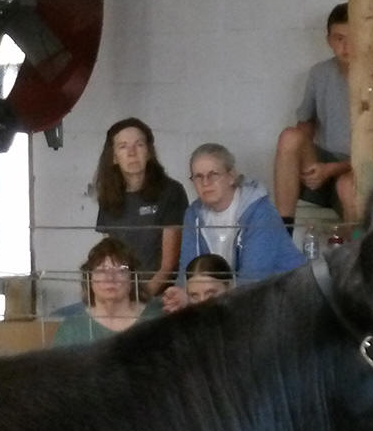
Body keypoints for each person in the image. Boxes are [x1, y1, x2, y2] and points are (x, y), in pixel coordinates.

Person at [161, 143, 303, 311]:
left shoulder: (261, 212)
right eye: (198, 177)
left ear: (231, 176)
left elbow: (254, 280)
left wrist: (201, 297)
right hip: (232, 302)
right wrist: (180, 293)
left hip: (286, 299)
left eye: (213, 174)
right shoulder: (193, 214)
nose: (205, 182)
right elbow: (187, 269)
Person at [273, 3, 359, 224]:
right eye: (339, 38)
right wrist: (308, 166)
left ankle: (357, 242)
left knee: (348, 186)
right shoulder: (319, 73)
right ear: (329, 40)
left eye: (353, 38)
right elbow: (305, 124)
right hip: (325, 164)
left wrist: (331, 169)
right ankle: (285, 230)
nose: (346, 46)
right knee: (289, 137)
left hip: (359, 170)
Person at [90, 117, 187, 300]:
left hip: (162, 295)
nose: (132, 153)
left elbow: (168, 265)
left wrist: (139, 298)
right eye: (123, 146)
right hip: (122, 293)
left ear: (149, 152)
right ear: (114, 157)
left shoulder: (171, 191)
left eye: (139, 145)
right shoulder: (108, 195)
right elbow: (109, 255)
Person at [53, 237, 149, 347]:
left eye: (120, 270)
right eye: (101, 271)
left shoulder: (154, 319)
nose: (110, 278)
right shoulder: (71, 329)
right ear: (89, 279)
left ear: (133, 278)